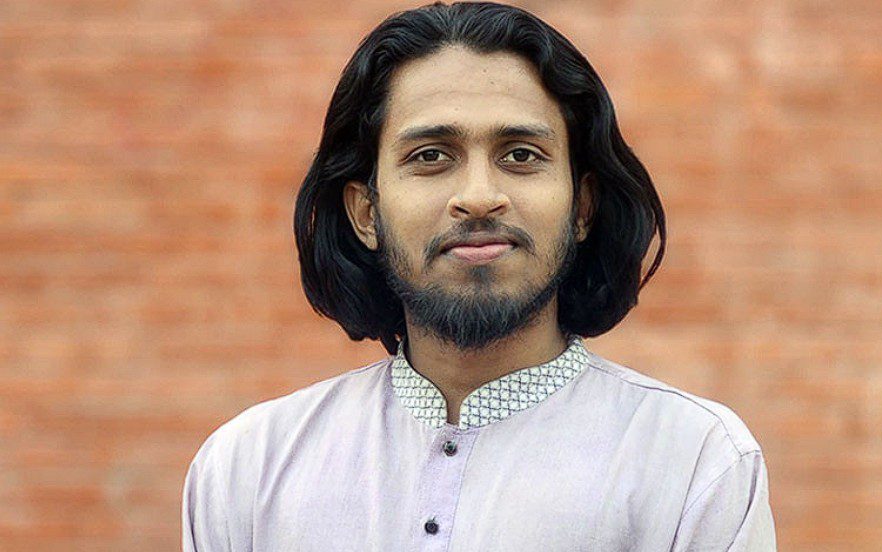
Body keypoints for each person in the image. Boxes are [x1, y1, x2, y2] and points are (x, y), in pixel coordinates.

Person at [181, 1, 776, 550]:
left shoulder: (693, 463)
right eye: (431, 156)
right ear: (365, 213)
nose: (478, 197)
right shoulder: (249, 471)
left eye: (520, 155)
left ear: (583, 207)